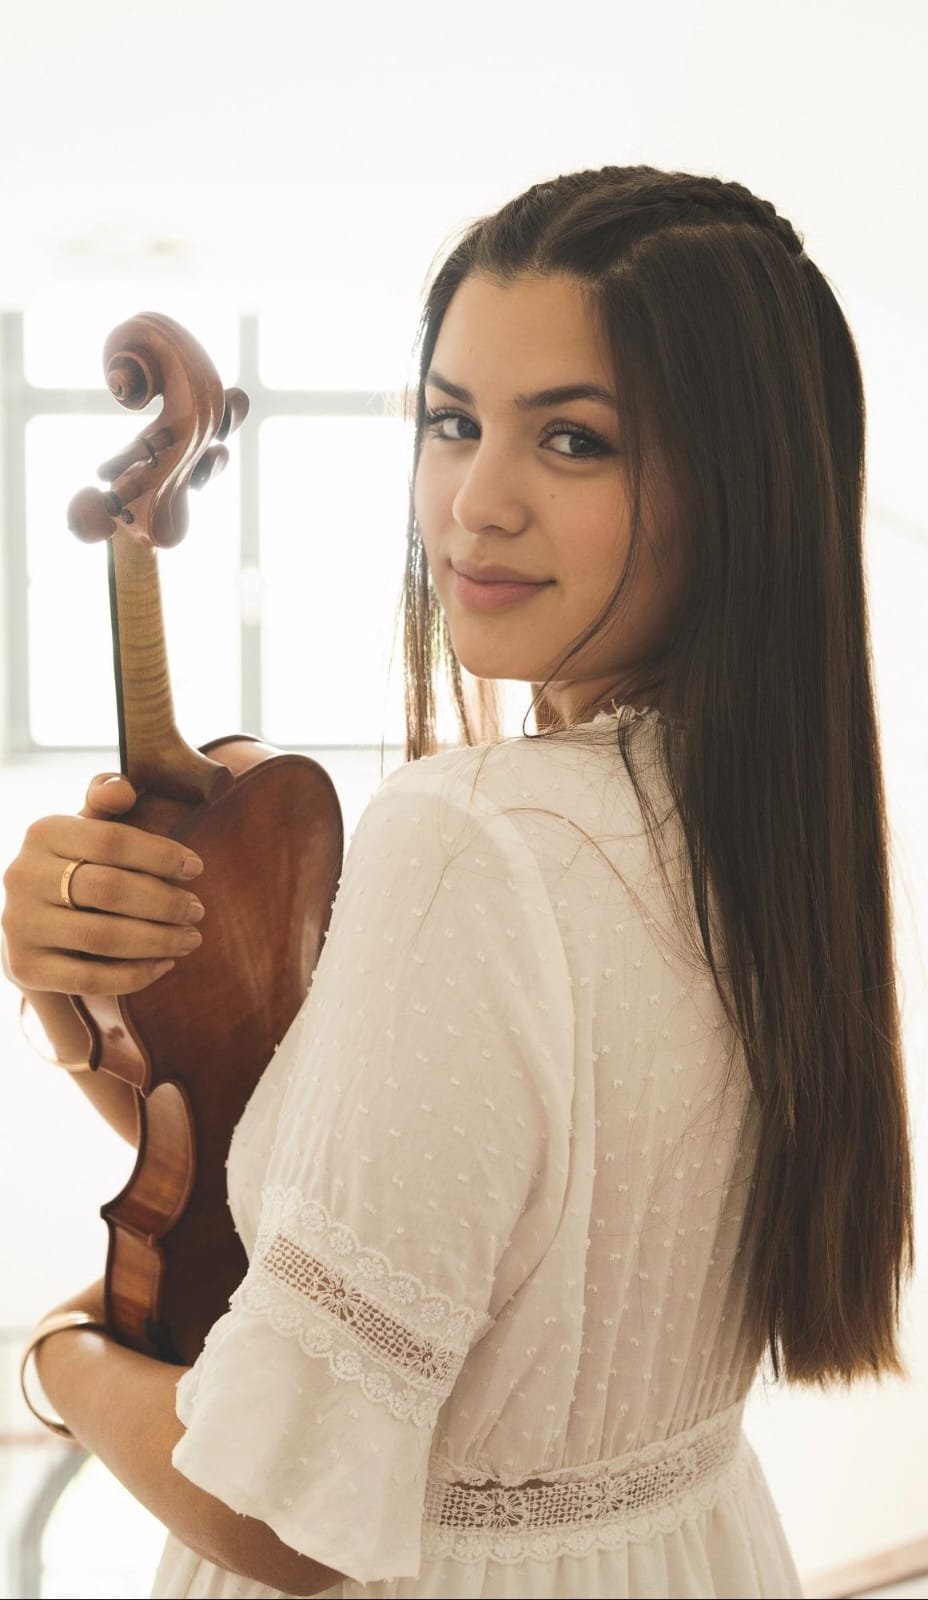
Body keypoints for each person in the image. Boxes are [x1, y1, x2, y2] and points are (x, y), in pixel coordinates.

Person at [1, 165, 915, 1600]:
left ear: (737, 487)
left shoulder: (473, 836)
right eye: (452, 422)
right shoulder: (768, 835)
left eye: (574, 440)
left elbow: (279, 1518)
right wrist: (80, 1016)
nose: (476, 505)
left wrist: (55, 1357)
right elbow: (430, 1224)